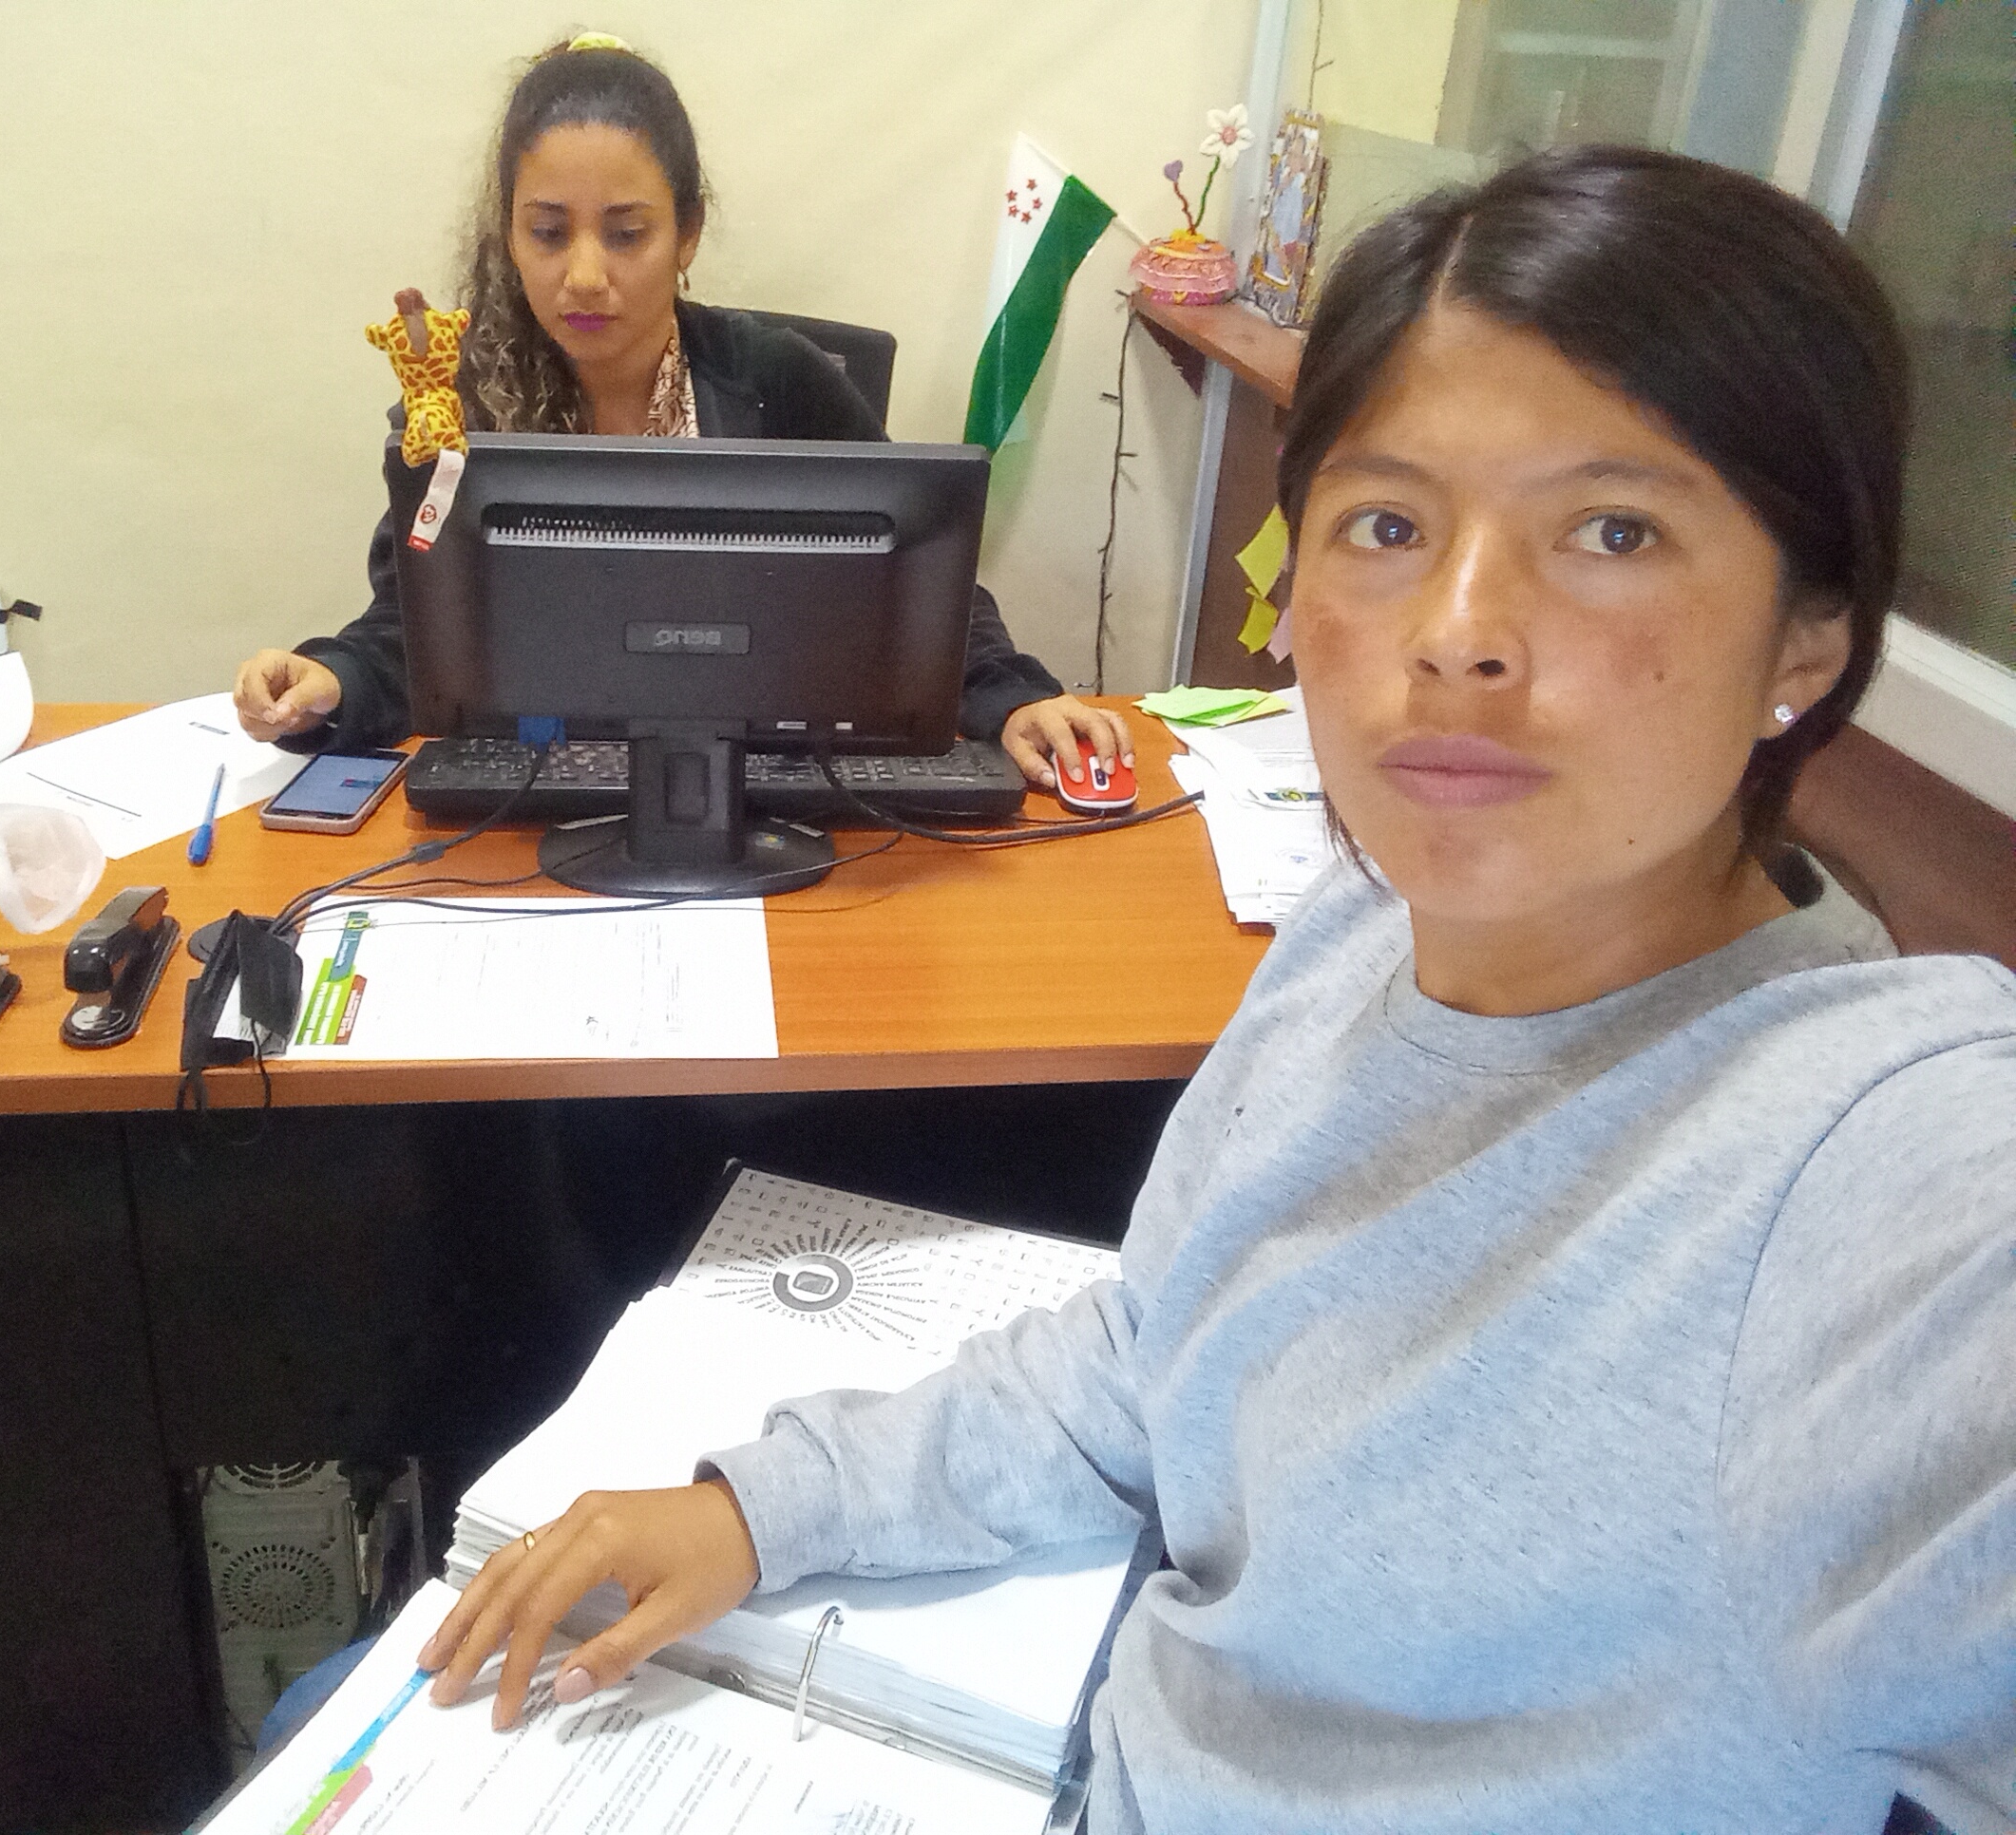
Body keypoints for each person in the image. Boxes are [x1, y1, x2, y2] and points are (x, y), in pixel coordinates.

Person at [417, 147, 2016, 1833]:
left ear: (1806, 640)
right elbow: (1160, 1349)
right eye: (1388, 525)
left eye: (1611, 531)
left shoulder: (1891, 1176)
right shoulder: (1361, 926)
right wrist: (760, 1509)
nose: (1460, 631)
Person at [232, 37, 1131, 790]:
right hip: (536, 802)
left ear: (687, 232)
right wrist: (329, 680)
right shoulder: (458, 404)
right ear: (509, 234)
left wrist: (1012, 699)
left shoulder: (780, 379)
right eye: (548, 232)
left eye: (627, 233)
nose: (586, 274)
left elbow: (921, 583)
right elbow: (417, 634)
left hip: (761, 791)